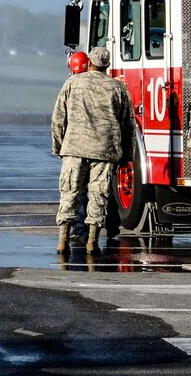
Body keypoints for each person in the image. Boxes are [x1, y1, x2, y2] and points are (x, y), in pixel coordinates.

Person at [50, 44, 138, 258]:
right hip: (104, 150)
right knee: (99, 195)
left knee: (70, 193)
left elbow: (58, 118)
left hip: (74, 148)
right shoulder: (118, 88)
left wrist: (59, 147)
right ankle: (92, 242)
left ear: (89, 62)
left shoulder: (72, 83)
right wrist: (127, 156)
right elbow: (128, 125)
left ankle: (63, 240)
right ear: (107, 65)